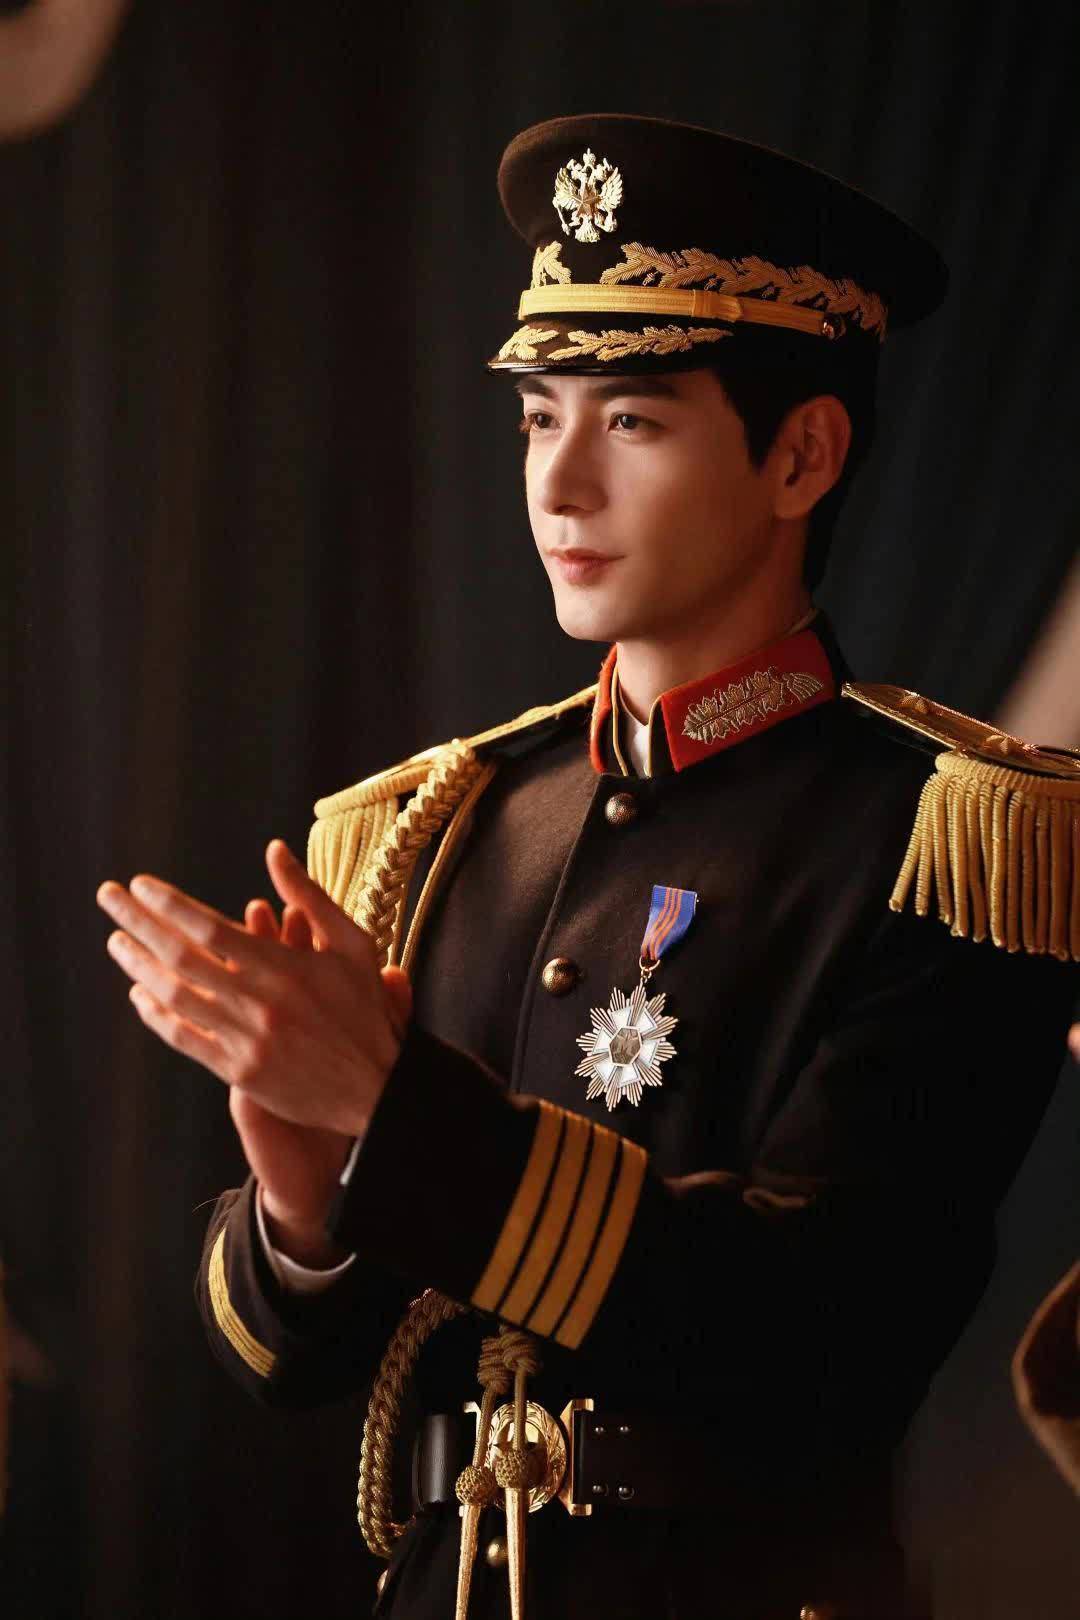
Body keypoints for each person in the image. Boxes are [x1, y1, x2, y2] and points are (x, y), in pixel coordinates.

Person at [96, 115, 1080, 1620]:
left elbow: (818, 1342)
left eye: (632, 421)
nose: (558, 485)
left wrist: (389, 1112)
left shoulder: (954, 843)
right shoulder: (441, 824)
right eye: (535, 417)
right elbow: (285, 1369)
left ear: (802, 454)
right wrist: (303, 1201)